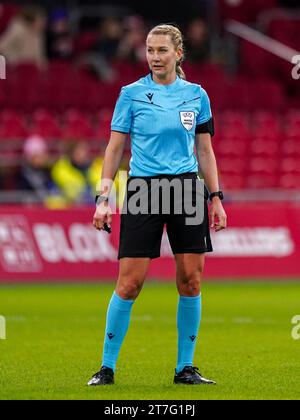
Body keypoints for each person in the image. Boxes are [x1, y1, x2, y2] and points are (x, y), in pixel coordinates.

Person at [88, 24, 227, 386]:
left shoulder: (197, 95)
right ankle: (106, 367)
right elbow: (114, 148)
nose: (154, 57)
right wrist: (104, 198)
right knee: (129, 283)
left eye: (162, 50)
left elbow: (205, 151)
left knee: (191, 281)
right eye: (150, 50)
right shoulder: (130, 94)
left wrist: (216, 197)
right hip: (143, 191)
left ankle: (186, 368)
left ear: (178, 54)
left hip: (186, 190)